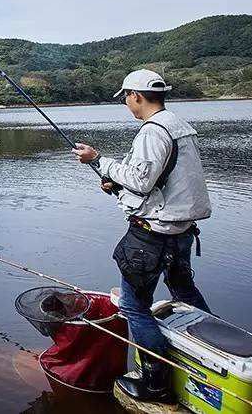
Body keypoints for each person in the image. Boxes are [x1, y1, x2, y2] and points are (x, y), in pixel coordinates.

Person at [71, 69, 212, 404]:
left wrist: (98, 161)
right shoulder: (178, 126)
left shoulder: (153, 131)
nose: (127, 105)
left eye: (126, 98)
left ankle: (157, 385)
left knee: (135, 308)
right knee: (184, 291)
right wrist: (115, 182)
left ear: (135, 96)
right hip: (181, 232)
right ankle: (212, 351)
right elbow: (160, 180)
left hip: (152, 237)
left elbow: (141, 180)